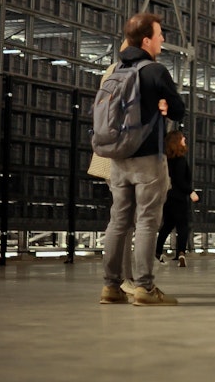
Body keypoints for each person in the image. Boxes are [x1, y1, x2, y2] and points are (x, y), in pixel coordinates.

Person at [100, 13, 185, 306]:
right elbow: (178, 110)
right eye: (159, 34)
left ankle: (111, 287)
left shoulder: (116, 70)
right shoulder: (155, 71)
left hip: (119, 158)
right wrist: (164, 103)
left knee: (118, 220)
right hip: (148, 157)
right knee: (148, 221)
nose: (162, 39)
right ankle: (145, 288)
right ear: (146, 40)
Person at [88, 39, 136, 297]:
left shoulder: (114, 71)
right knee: (123, 220)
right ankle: (120, 280)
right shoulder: (126, 73)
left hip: (113, 154)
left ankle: (116, 281)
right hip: (122, 156)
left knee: (122, 219)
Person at [155, 131, 200, 267]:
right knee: (183, 226)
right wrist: (190, 191)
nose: (184, 139)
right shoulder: (180, 160)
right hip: (179, 197)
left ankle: (157, 252)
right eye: (182, 138)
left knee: (167, 226)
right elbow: (180, 180)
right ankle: (181, 252)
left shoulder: (165, 160)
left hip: (167, 196)